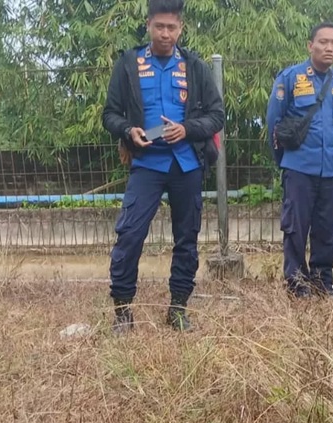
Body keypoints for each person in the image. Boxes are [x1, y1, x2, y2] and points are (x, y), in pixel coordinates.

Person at [101, 0, 226, 334]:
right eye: (160, 27)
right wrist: (128, 130)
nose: (166, 34)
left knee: (187, 239)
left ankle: (178, 309)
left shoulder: (195, 67)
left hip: (186, 165)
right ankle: (123, 313)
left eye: (172, 27)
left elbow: (217, 115)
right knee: (130, 235)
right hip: (146, 164)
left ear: (180, 28)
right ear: (148, 26)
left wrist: (188, 129)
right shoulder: (128, 64)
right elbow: (109, 114)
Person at [266, 23, 333, 297]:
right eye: (323, 42)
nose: (329, 48)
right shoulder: (290, 77)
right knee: (296, 228)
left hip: (330, 170)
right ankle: (296, 284)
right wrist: (285, 160)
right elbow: (273, 124)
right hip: (299, 168)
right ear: (310, 45)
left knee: (328, 228)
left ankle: (322, 281)